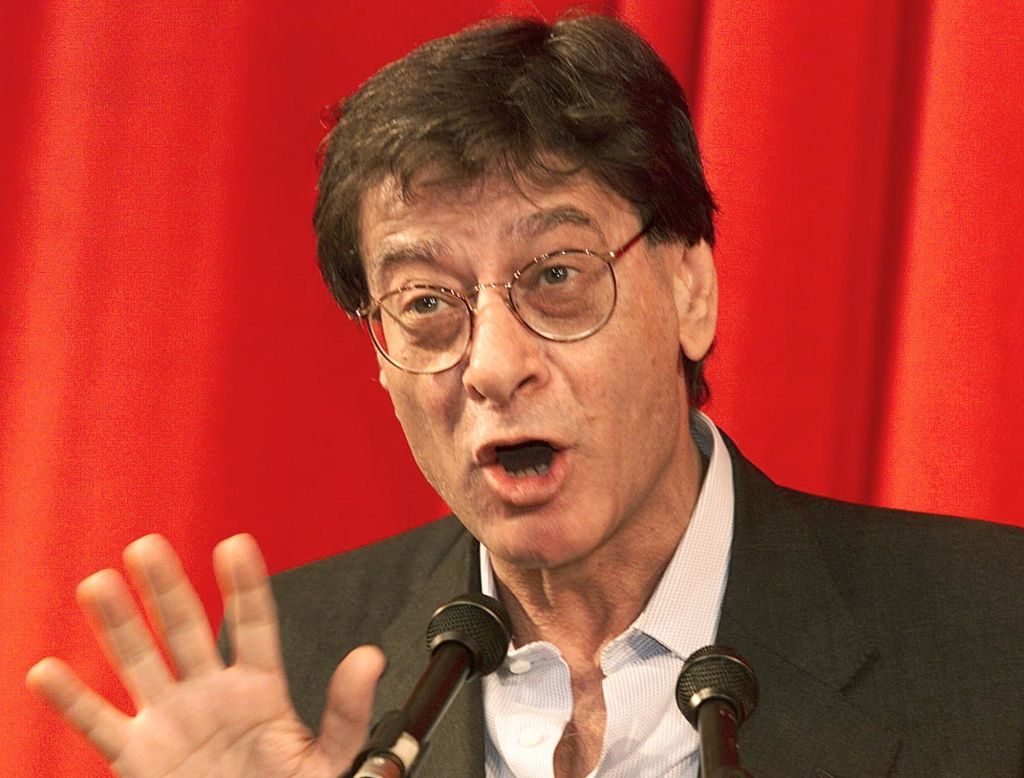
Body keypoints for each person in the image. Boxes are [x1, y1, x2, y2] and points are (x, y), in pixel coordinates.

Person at [26, 14, 1024, 778]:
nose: (495, 365)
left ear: (690, 292)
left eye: (555, 276)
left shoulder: (991, 633)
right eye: (427, 303)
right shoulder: (300, 665)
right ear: (381, 353)